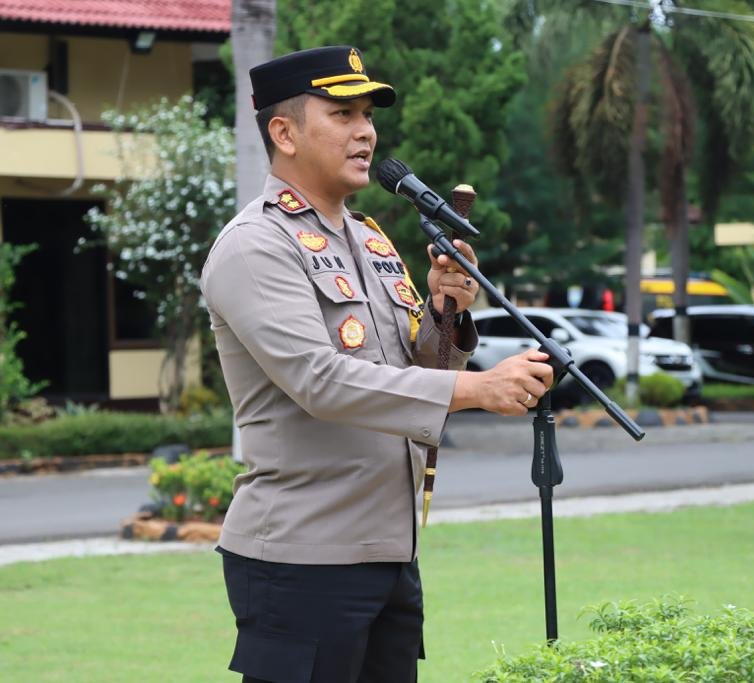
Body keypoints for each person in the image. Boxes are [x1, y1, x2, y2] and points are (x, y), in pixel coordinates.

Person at [200, 45, 555, 682]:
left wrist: (446, 315)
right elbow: (320, 381)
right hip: (303, 557)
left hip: (391, 550)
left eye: (367, 114)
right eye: (342, 113)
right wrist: (476, 389)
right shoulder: (256, 246)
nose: (366, 130)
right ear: (283, 132)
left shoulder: (369, 237)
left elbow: (405, 359)